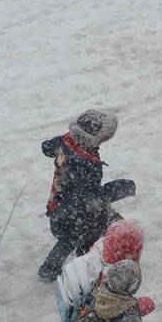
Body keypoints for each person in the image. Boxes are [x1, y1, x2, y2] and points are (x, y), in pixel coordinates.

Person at [38, 109, 123, 281]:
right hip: (76, 211)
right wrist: (115, 189)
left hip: (60, 201)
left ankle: (75, 264)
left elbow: (46, 147)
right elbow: (91, 195)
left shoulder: (67, 141)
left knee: (71, 238)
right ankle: (52, 270)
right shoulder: (86, 163)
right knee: (73, 239)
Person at [55, 220, 144, 322]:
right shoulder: (117, 277)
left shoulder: (99, 247)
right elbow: (109, 312)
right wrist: (134, 309)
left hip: (78, 320)